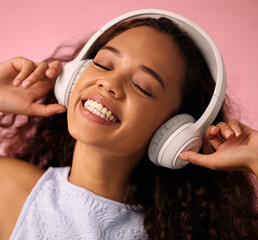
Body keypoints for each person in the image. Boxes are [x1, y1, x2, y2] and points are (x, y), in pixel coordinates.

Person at [0, 15, 257, 240]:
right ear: (74, 76)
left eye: (142, 86)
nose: (109, 83)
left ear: (174, 130)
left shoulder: (186, 232)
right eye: (102, 64)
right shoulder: (8, 188)